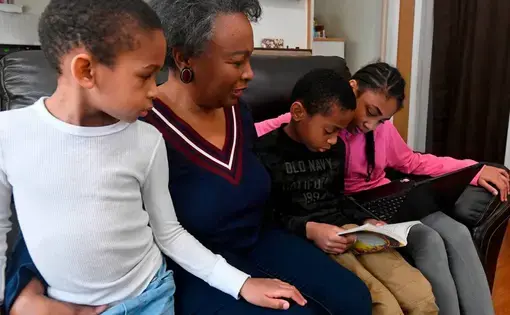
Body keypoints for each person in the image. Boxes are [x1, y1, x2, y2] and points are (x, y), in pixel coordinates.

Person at [5, 0, 373, 314]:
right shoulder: (133, 121)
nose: (250, 73)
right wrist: (22, 286)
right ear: (183, 59)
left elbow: (270, 184)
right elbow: (56, 198)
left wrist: (315, 224)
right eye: (237, 61)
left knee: (354, 300)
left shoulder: (237, 111)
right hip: (192, 264)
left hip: (260, 240)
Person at [257, 62, 501, 315]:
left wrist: (474, 169)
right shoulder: (314, 122)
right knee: (429, 240)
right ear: (353, 89)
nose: (371, 125)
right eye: (370, 112)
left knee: (458, 232)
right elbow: (256, 135)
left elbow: (411, 161)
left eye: (382, 119)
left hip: (380, 202)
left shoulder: (373, 132)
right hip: (352, 210)